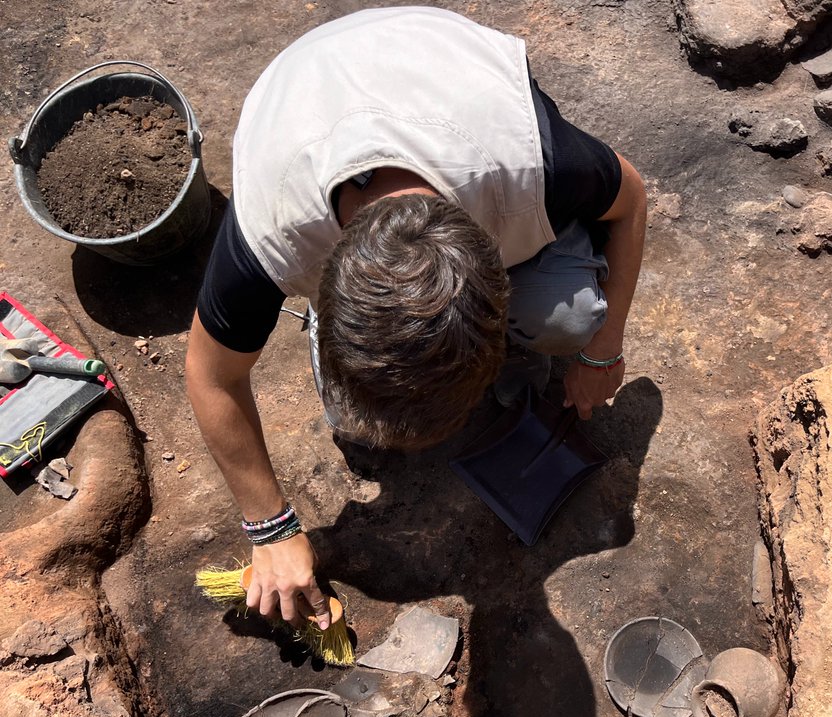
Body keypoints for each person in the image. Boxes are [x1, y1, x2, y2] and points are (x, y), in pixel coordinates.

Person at [185, 6, 646, 633]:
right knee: (354, 419)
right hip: (304, 96)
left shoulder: (530, 165)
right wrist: (271, 528)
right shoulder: (270, 232)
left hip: (452, 83)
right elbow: (211, 378)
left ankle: (538, 309)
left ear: (494, 274)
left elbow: (633, 197)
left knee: (568, 320)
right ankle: (354, 341)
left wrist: (602, 352)